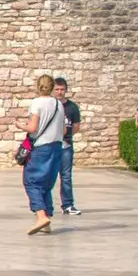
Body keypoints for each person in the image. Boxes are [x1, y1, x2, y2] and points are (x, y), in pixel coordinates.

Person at [24, 74, 69, 233]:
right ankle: (47, 221)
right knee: (46, 184)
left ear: (38, 86)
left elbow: (32, 128)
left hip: (41, 147)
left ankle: (41, 216)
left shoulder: (37, 103)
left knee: (32, 181)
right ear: (52, 87)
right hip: (57, 146)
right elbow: (64, 130)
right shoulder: (58, 104)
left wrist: (19, 125)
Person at [52, 77, 81, 216]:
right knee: (47, 175)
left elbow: (76, 126)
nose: (59, 92)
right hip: (50, 144)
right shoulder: (49, 105)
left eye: (62, 89)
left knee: (66, 175)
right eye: (57, 89)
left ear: (66, 90)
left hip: (66, 145)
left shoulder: (72, 107)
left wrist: (67, 136)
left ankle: (68, 205)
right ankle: (44, 206)